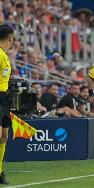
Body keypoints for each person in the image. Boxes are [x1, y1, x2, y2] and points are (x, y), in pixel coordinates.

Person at [0, 23, 14, 184]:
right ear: (10, 38)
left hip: (4, 97)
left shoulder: (4, 55)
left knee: (4, 137)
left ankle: (0, 171)